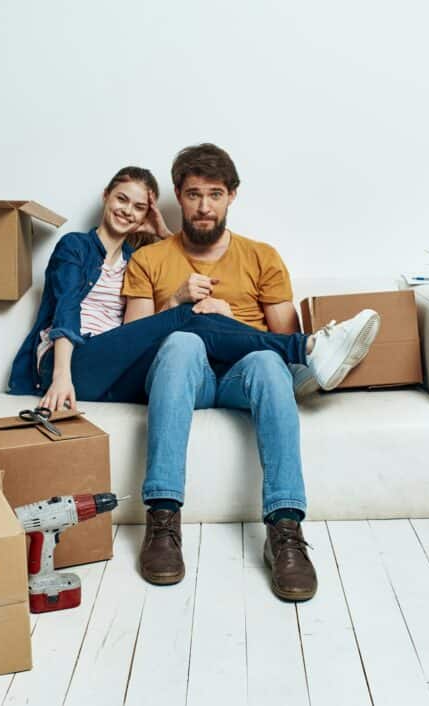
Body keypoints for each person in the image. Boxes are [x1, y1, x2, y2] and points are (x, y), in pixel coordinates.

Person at [122, 144, 379, 602]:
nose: (204, 207)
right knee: (183, 340)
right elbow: (130, 342)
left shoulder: (261, 256)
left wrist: (227, 323)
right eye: (194, 194)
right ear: (178, 196)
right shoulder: (150, 260)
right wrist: (177, 304)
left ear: (232, 197)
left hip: (246, 377)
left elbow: (280, 347)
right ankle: (162, 522)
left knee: (265, 358)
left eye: (215, 194)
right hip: (184, 379)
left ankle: (285, 529)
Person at [8, 167, 380, 415]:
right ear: (106, 196)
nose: (127, 211)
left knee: (191, 320)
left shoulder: (137, 259)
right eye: (122, 199)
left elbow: (175, 265)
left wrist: (163, 231)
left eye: (138, 207)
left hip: (114, 372)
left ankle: (301, 355)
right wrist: (61, 375)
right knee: (192, 314)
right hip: (73, 362)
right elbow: (67, 309)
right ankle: (308, 349)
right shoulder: (75, 246)